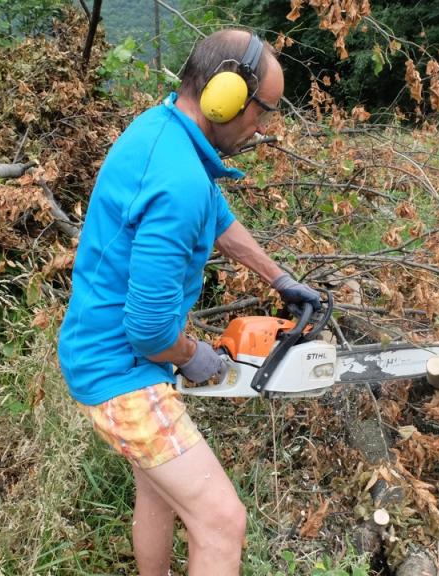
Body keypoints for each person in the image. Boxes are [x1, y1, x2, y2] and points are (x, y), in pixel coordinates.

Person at [58, 29, 321, 575]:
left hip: (99, 352)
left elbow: (217, 217)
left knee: (157, 495)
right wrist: (194, 355)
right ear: (225, 95)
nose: (263, 127)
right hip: (122, 372)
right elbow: (151, 331)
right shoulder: (178, 181)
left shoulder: (162, 129)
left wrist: (280, 278)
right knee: (222, 522)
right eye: (263, 111)